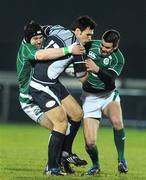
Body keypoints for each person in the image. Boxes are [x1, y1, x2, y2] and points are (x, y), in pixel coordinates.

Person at [29, 16, 97, 176]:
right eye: (88, 34)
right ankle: (51, 167)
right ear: (78, 31)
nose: (90, 38)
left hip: (53, 82)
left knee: (77, 114)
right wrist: (95, 70)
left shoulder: (58, 28)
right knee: (61, 123)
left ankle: (66, 152)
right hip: (41, 84)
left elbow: (40, 28)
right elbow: (82, 77)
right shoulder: (78, 49)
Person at [16, 20, 85, 175]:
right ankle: (52, 166)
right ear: (27, 39)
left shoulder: (41, 39)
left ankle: (64, 156)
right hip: (30, 100)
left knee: (77, 114)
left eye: (40, 37)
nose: (39, 41)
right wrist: (69, 49)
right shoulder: (27, 48)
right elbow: (42, 55)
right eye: (35, 39)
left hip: (48, 86)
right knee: (60, 126)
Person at [80, 29, 128, 175]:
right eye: (102, 45)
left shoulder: (118, 58)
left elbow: (110, 79)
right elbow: (76, 49)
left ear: (115, 47)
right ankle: (95, 166)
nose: (103, 49)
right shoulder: (90, 45)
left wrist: (96, 69)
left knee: (117, 121)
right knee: (89, 142)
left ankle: (121, 159)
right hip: (89, 97)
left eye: (107, 47)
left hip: (108, 96)